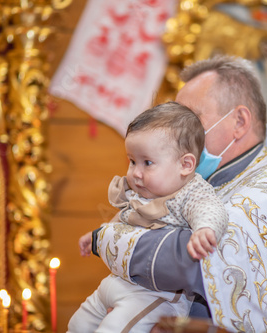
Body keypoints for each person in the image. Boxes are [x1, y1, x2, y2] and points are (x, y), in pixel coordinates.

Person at [92, 55, 267, 332]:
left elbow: (185, 259)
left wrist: (102, 237)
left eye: (191, 119)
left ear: (239, 121)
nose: (175, 134)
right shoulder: (215, 178)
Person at [67, 102, 229, 332]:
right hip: (116, 282)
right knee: (77, 325)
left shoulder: (190, 192)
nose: (136, 173)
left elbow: (210, 208)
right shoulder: (142, 191)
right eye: (132, 161)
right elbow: (124, 220)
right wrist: (98, 233)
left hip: (154, 295)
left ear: (185, 164)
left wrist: (205, 229)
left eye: (147, 163)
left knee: (114, 328)